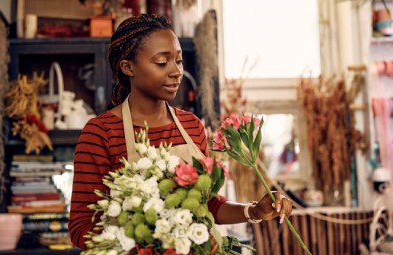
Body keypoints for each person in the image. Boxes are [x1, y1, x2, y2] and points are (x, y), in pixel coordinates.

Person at [69, 13, 293, 251]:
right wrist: (148, 242)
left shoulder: (191, 125)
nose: (176, 71)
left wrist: (254, 210)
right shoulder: (101, 132)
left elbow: (208, 205)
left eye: (178, 60)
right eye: (162, 62)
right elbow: (81, 227)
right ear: (128, 67)